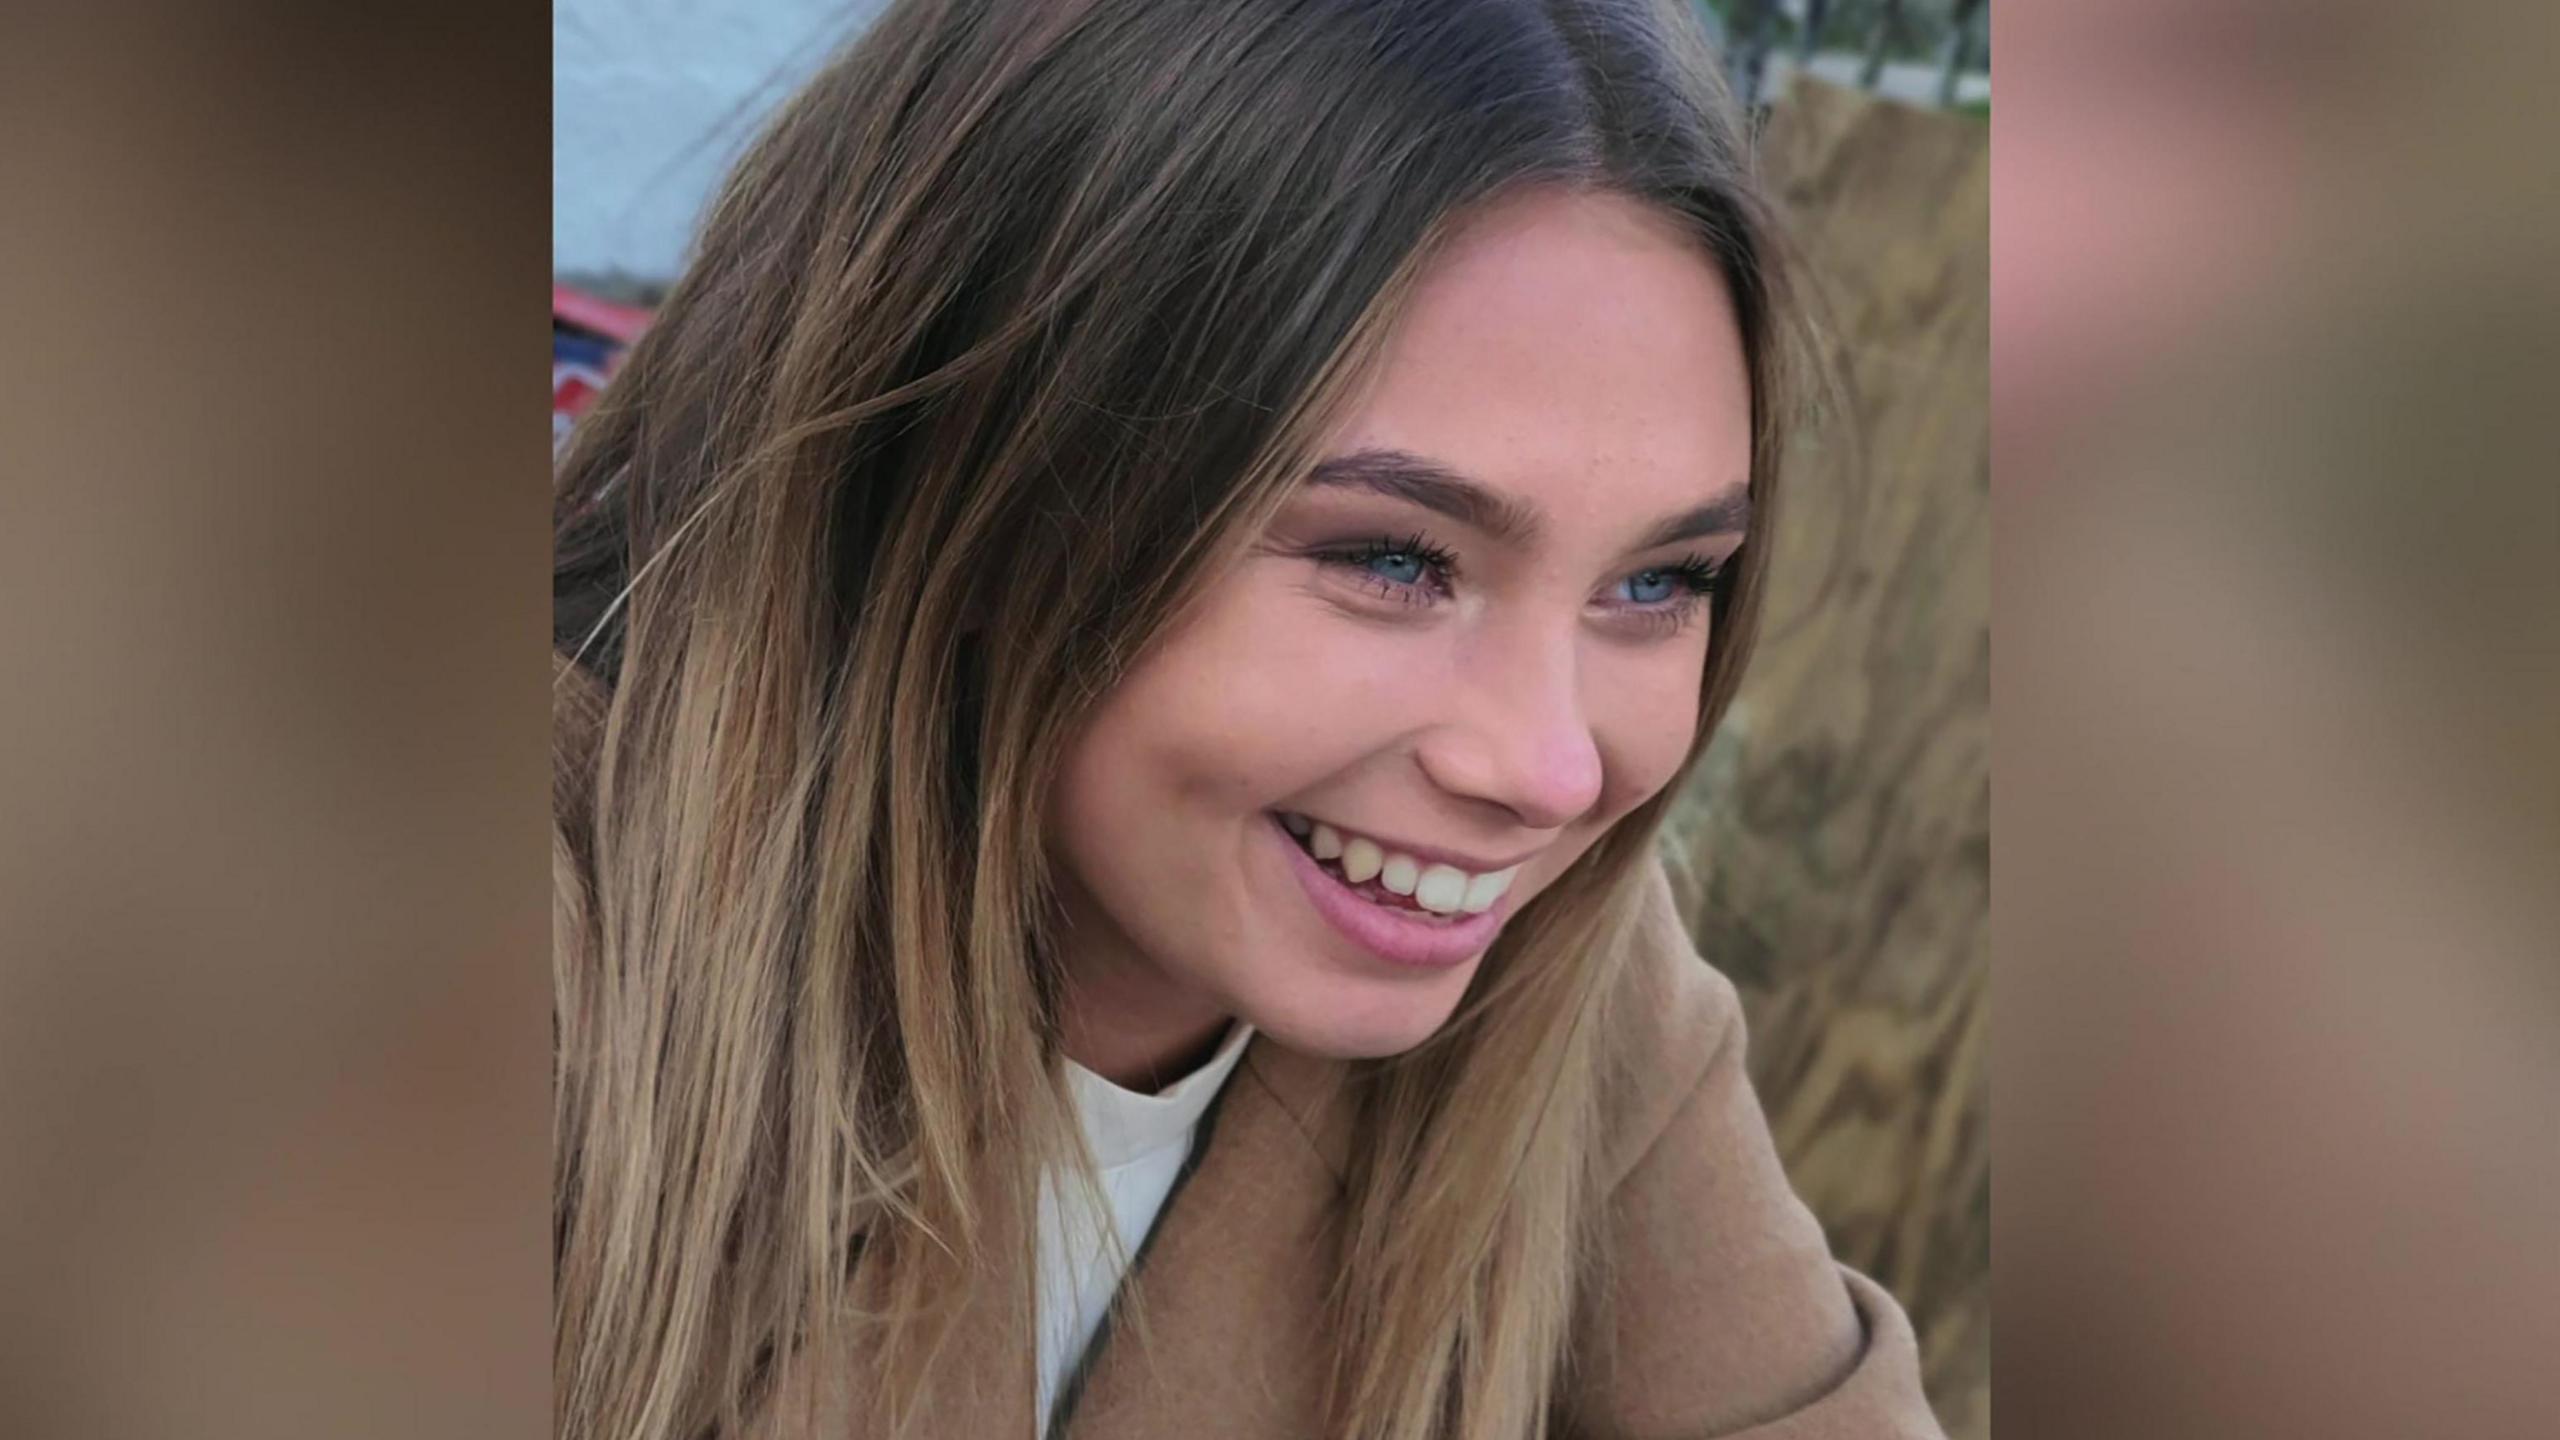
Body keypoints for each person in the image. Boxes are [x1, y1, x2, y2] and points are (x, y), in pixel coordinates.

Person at [551, 1, 1944, 1437]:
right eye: (1393, 559)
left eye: (1658, 581)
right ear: (962, 481)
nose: (1548, 769)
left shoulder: (1568, 985)